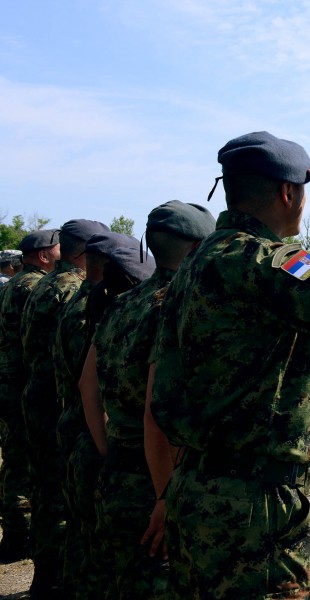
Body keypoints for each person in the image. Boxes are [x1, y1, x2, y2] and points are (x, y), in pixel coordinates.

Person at [150, 131, 310, 598]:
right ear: (289, 193)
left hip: (192, 485)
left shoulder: (194, 264)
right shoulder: (268, 261)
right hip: (253, 505)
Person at [81, 201, 213, 599]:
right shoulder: (177, 305)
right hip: (157, 480)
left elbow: (87, 385)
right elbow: (158, 412)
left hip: (117, 470)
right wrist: (164, 495)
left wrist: (109, 450)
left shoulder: (121, 304)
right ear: (197, 249)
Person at [57, 231, 149, 600]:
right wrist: (106, 447)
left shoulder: (91, 306)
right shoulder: (110, 312)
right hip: (102, 438)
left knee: (88, 545)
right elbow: (93, 386)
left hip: (81, 431)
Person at [20, 219, 109, 598]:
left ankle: (45, 574)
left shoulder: (44, 285)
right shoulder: (74, 290)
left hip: (38, 397)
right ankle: (56, 579)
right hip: (60, 403)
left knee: (45, 488)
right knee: (63, 497)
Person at [0, 230, 60, 564]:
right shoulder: (34, 287)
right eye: (58, 248)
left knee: (14, 460)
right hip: (24, 384)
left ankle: (14, 534)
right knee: (26, 465)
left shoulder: (13, 284)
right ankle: (21, 535)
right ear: (43, 255)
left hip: (9, 382)